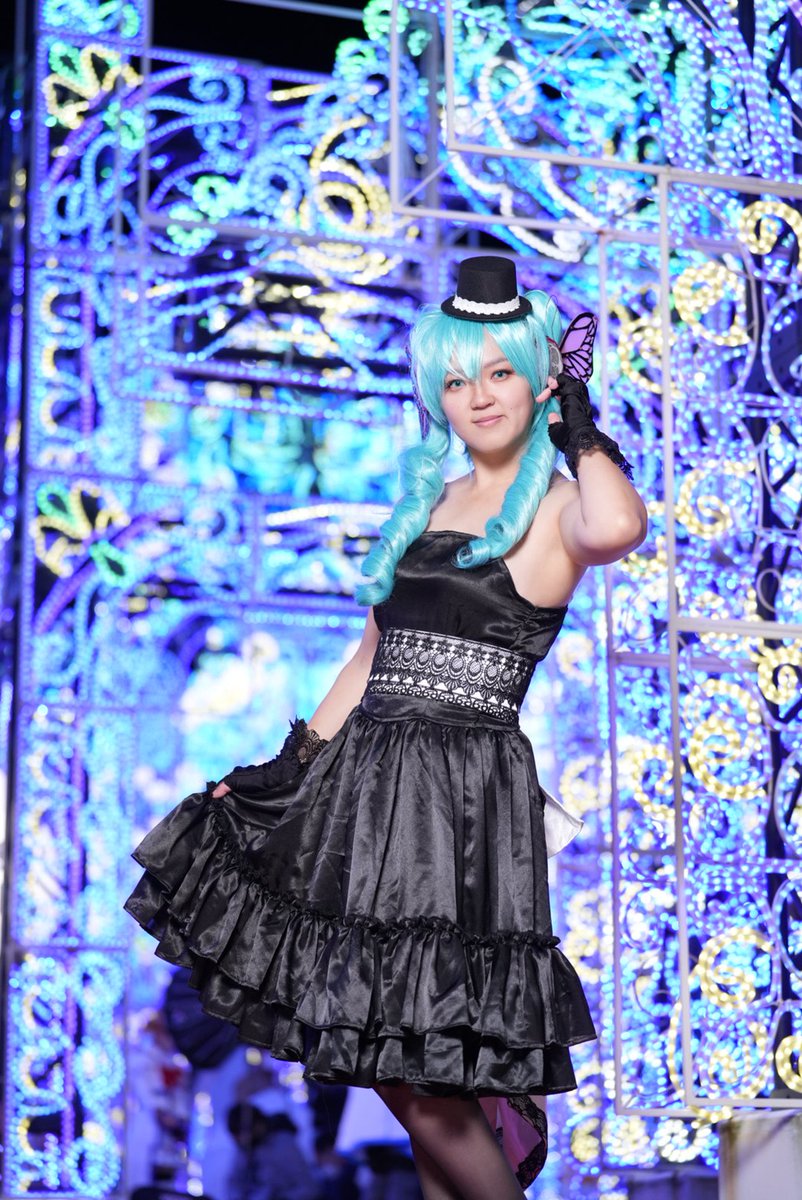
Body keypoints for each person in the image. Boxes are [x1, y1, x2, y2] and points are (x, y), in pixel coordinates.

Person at [125, 256, 648, 1200]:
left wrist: (578, 419)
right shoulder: (429, 504)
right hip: (368, 794)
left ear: (539, 378)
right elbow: (366, 661)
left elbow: (619, 527)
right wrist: (283, 771)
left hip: (460, 799)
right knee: (398, 1062)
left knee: (426, 1074)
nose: (476, 397)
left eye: (499, 372)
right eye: (455, 379)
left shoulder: (564, 503)